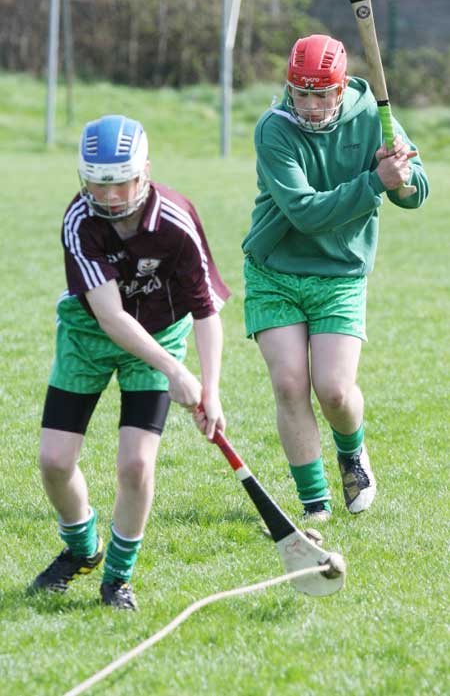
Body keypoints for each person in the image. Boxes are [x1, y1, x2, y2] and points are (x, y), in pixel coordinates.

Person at [30, 114, 230, 609]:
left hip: (163, 331)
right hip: (88, 336)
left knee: (137, 465)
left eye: (121, 182)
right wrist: (175, 371)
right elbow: (110, 317)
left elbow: (206, 311)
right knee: (55, 461)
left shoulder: (177, 221)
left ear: (144, 171)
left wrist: (211, 388)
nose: (111, 195)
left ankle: (117, 577)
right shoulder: (80, 220)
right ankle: (82, 549)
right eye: (99, 183)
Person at [242, 34, 428, 521]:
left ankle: (351, 454)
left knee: (335, 391)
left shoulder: (372, 118)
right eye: (300, 93)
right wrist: (373, 183)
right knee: (288, 383)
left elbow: (416, 190)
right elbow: (303, 211)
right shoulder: (274, 129)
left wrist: (402, 179)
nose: (311, 105)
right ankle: (314, 504)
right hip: (276, 270)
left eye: (322, 94)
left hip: (341, 273)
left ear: (341, 86)